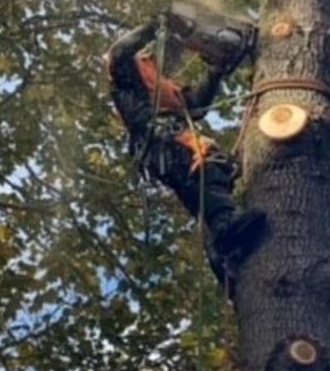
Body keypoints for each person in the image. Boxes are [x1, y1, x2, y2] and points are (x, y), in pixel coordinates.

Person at [105, 16, 265, 280]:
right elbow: (119, 51)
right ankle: (225, 229)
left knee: (206, 187)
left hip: (166, 144)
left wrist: (215, 73)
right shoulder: (128, 71)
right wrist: (155, 22)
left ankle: (222, 258)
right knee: (206, 158)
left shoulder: (163, 85)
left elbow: (196, 105)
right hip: (158, 137)